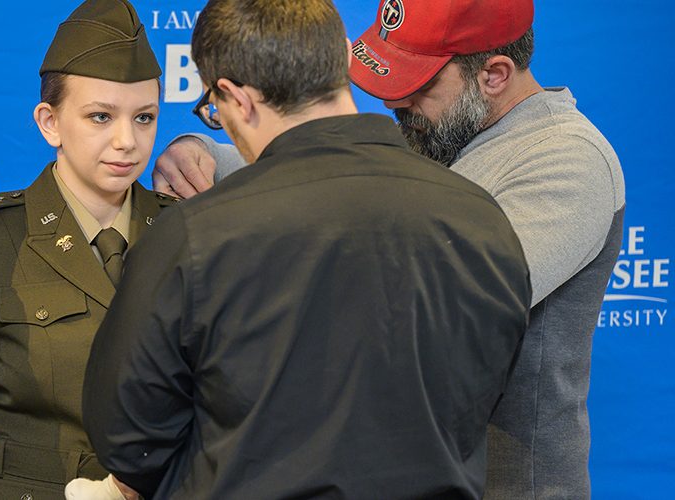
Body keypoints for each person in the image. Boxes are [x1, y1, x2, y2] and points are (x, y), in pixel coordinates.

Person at [152, 1, 626, 496]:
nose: (396, 101)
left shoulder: (568, 161)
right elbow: (332, 176)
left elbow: (437, 308)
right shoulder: (442, 131)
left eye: (419, 84)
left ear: (494, 75)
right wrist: (206, 154)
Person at [81, 0, 533, 498]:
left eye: (214, 110)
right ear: (342, 63)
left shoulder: (194, 237)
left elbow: (131, 444)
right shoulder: (483, 219)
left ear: (237, 99)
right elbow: (483, 393)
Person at [0, 1, 174, 499]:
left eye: (144, 117)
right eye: (100, 116)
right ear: (50, 122)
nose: (127, 141)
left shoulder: (189, 234)